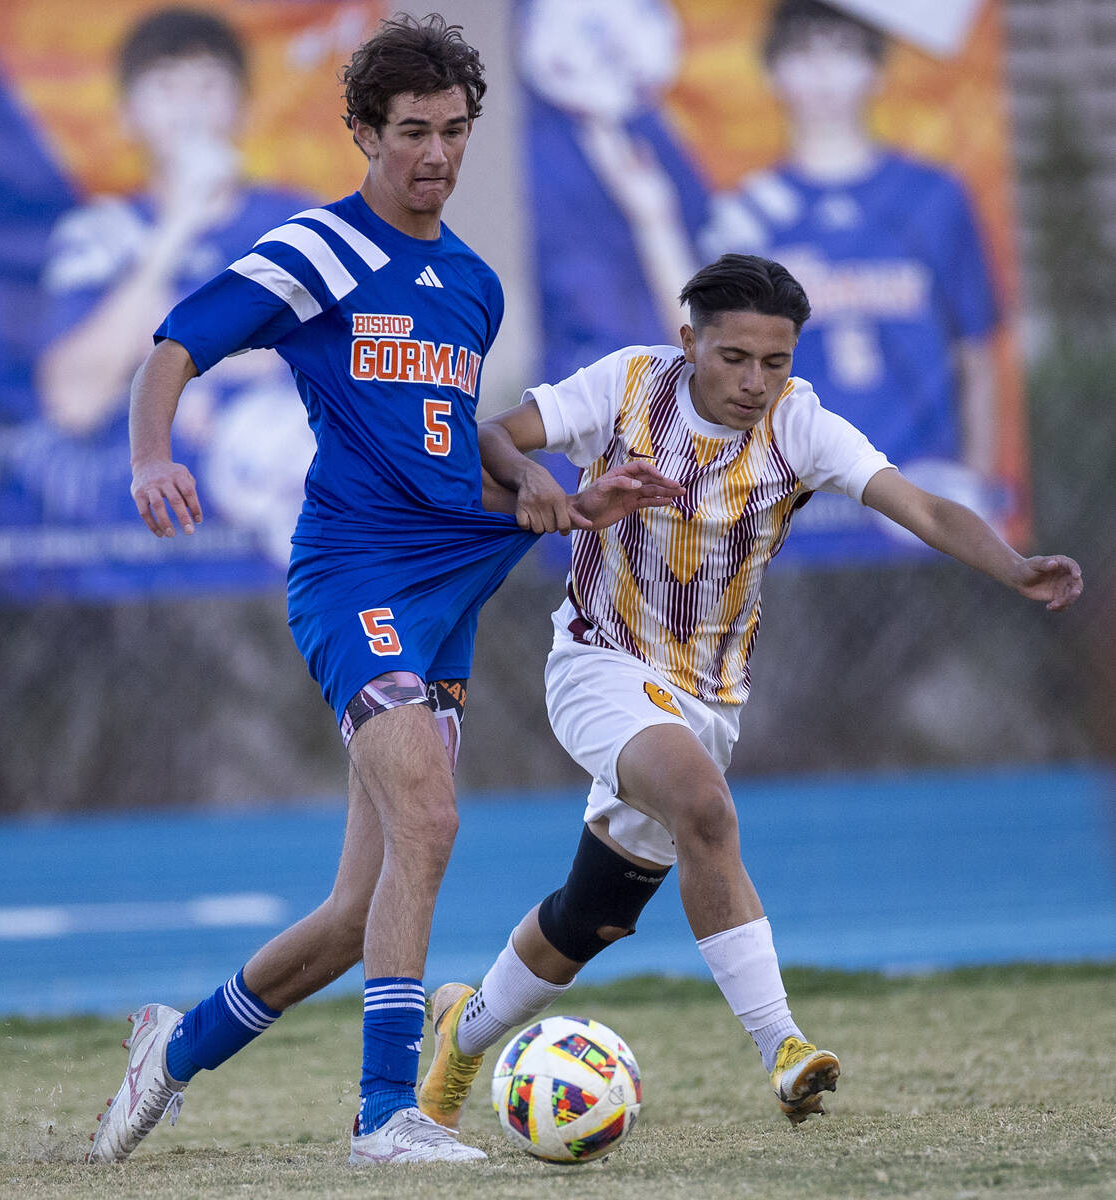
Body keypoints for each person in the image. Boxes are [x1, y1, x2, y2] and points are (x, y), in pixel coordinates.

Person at [88, 13, 680, 1168]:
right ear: (361, 130)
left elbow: (461, 436)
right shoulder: (316, 249)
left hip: (453, 582)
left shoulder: (471, 283)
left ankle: (172, 1047)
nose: (436, 155)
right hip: (354, 577)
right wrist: (150, 455)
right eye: (411, 131)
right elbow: (173, 347)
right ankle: (383, 1118)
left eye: (454, 132)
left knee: (362, 915)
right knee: (431, 817)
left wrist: (560, 491)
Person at [416, 253, 1083, 1135]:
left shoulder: (799, 426)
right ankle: (784, 1047)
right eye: (733, 358)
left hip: (708, 700)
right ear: (688, 341)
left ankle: (460, 1039)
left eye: (775, 362)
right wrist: (538, 479)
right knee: (704, 808)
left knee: (595, 915)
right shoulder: (625, 387)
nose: (754, 380)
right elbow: (489, 432)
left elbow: (919, 507)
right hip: (597, 665)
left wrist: (1011, 567)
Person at [700, 0, 1006, 560]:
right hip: (790, 498)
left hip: (921, 487)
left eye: (842, 55)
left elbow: (977, 351)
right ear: (772, 72)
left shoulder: (933, 196)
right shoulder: (744, 214)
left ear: (876, 70)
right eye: (803, 56)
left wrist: (978, 480)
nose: (823, 77)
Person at [25, 6, 318, 591]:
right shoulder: (100, 232)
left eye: (207, 85)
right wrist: (178, 224)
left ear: (241, 106)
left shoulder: (297, 223)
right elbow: (74, 399)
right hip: (134, 560)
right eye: (166, 87)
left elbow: (351, 361)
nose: (188, 108)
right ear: (128, 114)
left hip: (283, 541)